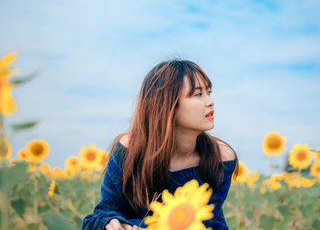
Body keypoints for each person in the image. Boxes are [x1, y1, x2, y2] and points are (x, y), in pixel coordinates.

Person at [82, 59, 238, 230]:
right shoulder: (128, 149)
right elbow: (101, 214)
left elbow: (209, 224)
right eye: (198, 94)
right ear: (167, 104)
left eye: (209, 92)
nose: (210, 101)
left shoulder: (221, 157)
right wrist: (111, 224)